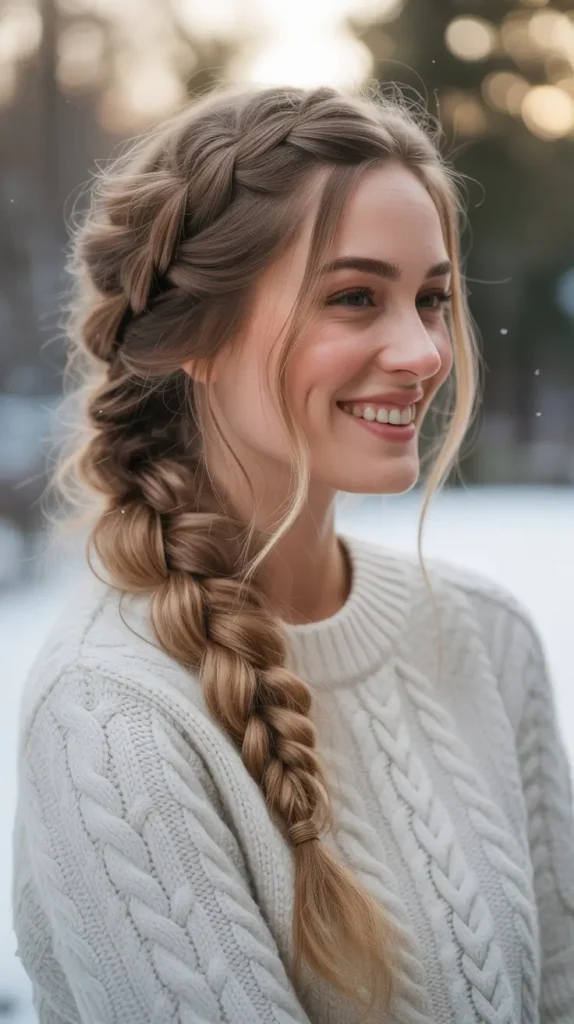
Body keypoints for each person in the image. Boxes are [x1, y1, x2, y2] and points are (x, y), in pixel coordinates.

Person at [11, 82, 574, 1024]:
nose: (424, 351)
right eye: (355, 297)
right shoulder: (112, 719)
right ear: (197, 335)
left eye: (431, 298)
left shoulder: (485, 634)